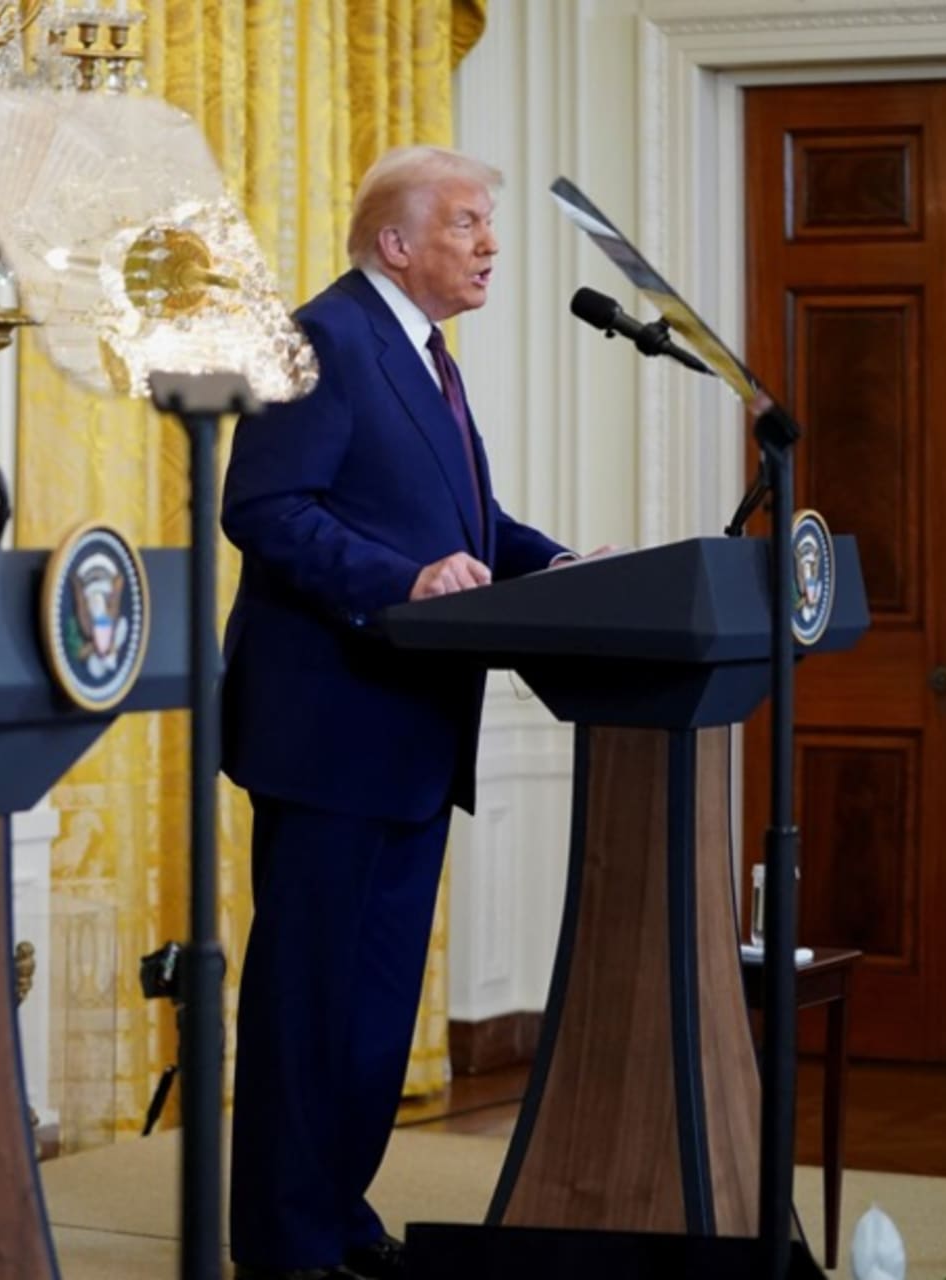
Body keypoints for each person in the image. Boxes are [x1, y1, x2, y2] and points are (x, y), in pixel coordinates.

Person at [221, 146, 577, 1279]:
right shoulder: (323, 338)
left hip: (414, 735)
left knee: (372, 1010)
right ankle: (283, 1243)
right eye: (468, 223)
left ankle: (336, 1215)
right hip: (330, 729)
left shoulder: (425, 359)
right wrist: (398, 580)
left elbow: (472, 526)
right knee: (307, 1002)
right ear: (397, 242)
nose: (490, 245)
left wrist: (563, 563)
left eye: (487, 224)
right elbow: (265, 506)